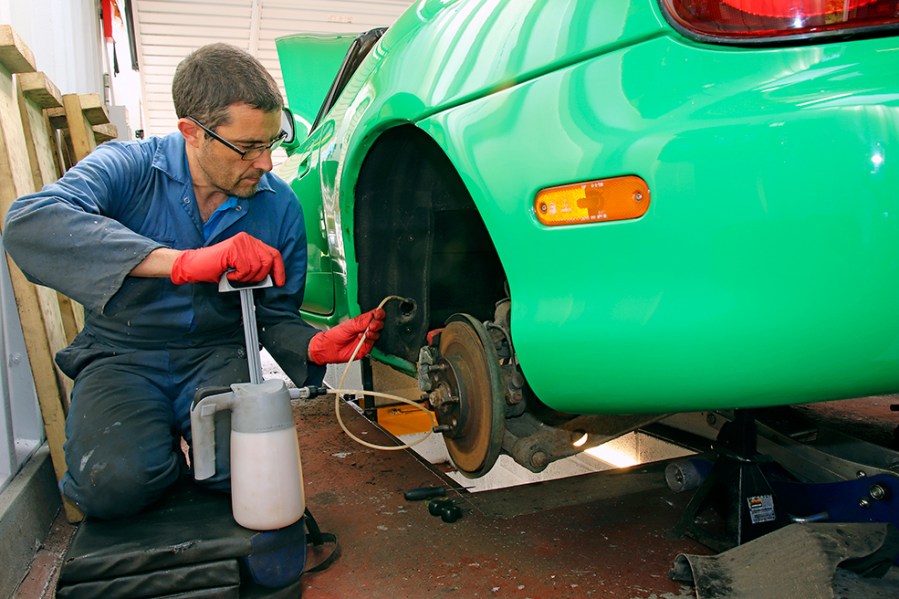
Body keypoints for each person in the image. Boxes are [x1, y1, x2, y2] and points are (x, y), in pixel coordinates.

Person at [2, 43, 384, 520]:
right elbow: (29, 224)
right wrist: (184, 263)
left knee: (250, 474)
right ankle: (155, 453)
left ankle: (184, 460)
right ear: (192, 132)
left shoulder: (277, 205)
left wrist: (313, 346)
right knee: (113, 485)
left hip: (218, 353)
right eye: (248, 148)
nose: (266, 162)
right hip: (122, 355)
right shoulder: (129, 167)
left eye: (271, 143)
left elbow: (273, 317)